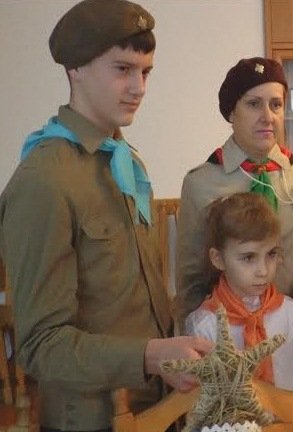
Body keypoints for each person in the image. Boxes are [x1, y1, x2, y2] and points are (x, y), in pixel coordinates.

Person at [0, 1, 214, 430]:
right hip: (91, 418)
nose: (139, 87)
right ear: (75, 69)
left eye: (146, 72)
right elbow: (40, 345)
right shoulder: (44, 181)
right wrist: (149, 356)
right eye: (122, 69)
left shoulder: (125, 163)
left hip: (155, 406)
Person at [175, 57, 293, 432]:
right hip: (230, 338)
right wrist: (188, 358)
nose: (267, 116)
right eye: (253, 104)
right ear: (231, 112)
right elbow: (190, 280)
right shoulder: (202, 183)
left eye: (276, 104)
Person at [185, 192, 293, 392]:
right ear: (218, 259)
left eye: (271, 254)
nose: (263, 271)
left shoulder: (290, 312)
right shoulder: (204, 325)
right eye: (248, 258)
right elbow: (202, 397)